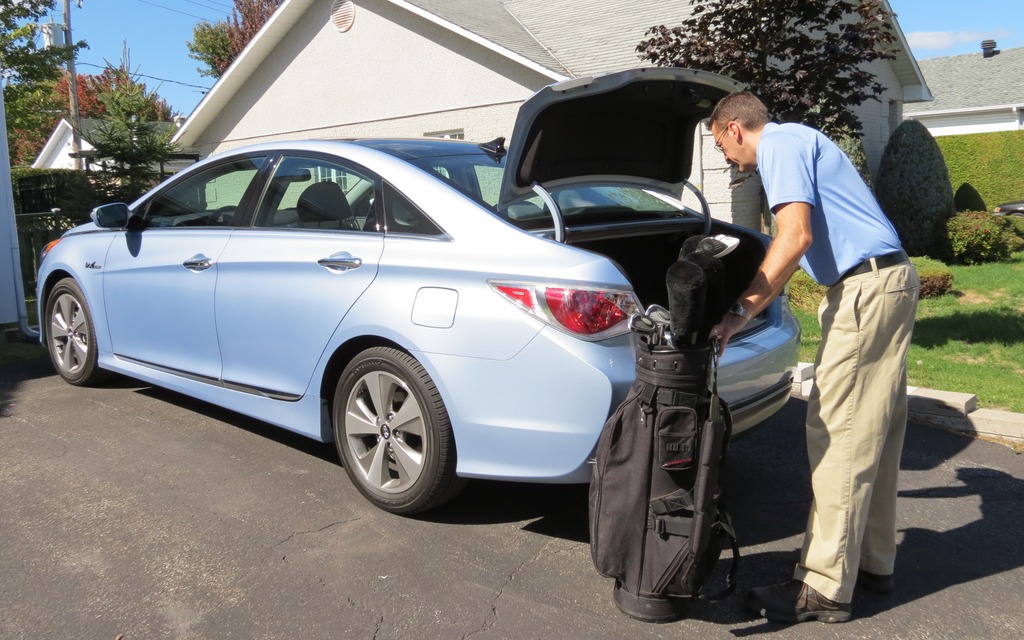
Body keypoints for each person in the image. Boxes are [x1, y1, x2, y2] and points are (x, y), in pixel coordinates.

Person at [708, 92, 920, 624]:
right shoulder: (802, 138)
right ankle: (872, 562)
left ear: (735, 128)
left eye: (720, 145)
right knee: (875, 430)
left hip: (865, 290)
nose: (726, 159)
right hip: (888, 280)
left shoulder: (778, 144)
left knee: (839, 431)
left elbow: (794, 236)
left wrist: (738, 312)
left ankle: (824, 586)